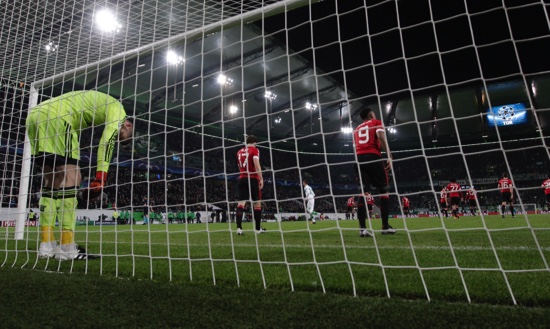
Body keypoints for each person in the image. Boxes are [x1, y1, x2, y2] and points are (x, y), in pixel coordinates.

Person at [26, 90, 133, 260]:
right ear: (128, 125)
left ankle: (47, 245)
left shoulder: (100, 102)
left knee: (52, 181)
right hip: (59, 117)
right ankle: (67, 247)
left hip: (35, 116)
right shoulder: (118, 110)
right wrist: (101, 176)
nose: (119, 138)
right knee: (73, 178)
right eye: (122, 136)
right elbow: (107, 140)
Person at [353, 108, 395, 237]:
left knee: (364, 193)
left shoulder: (356, 129)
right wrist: (389, 155)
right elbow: (381, 137)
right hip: (373, 156)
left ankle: (363, 229)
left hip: (359, 159)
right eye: (374, 113)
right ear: (371, 114)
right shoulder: (376, 122)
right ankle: (385, 226)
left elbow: (355, 147)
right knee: (383, 191)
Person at [235, 135, 265, 235]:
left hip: (242, 178)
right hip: (252, 179)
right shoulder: (255, 150)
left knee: (241, 203)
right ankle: (257, 229)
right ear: (254, 142)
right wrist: (261, 178)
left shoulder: (239, 151)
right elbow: (256, 164)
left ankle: (239, 228)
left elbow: (239, 165)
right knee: (257, 203)